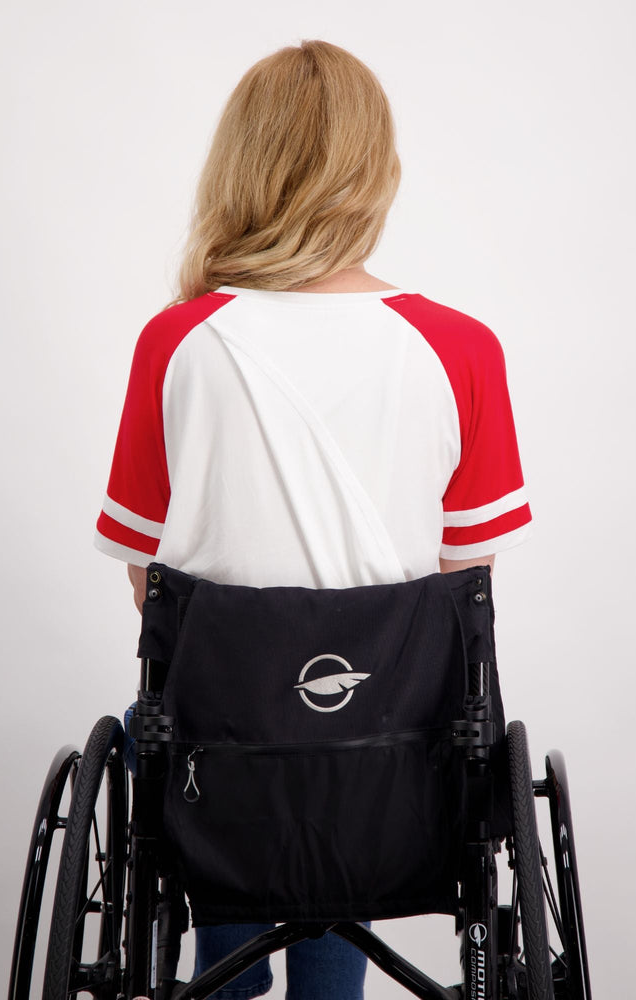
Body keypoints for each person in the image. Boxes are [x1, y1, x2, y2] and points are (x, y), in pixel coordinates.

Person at [95, 39, 531, 1000]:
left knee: (208, 726)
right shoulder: (460, 349)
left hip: (224, 759)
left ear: (239, 163)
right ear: (377, 171)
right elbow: (466, 582)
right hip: (395, 771)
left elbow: (145, 577)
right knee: (363, 739)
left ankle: (229, 975)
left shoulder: (178, 343)